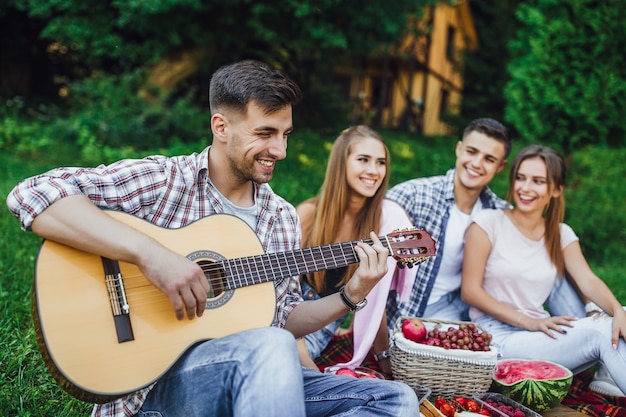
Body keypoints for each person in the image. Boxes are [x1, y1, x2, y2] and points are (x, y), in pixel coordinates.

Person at [6, 60, 419, 417]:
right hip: (154, 389)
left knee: (396, 401)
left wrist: (353, 293)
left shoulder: (281, 219)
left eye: (286, 134)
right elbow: (31, 195)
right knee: (270, 346)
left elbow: (284, 319)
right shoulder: (167, 180)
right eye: (265, 133)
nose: (280, 149)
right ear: (221, 126)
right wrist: (151, 255)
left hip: (254, 374)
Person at [385, 118, 586, 326]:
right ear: (459, 149)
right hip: (420, 309)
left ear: (500, 167)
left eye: (489, 159)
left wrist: (592, 306)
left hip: (469, 308)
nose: (477, 164)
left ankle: (588, 325)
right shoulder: (413, 197)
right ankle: (585, 332)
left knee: (548, 263)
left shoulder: (499, 213)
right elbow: (365, 253)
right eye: (472, 152)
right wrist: (352, 320)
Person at [460, 144, 626, 394]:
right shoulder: (488, 223)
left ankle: (610, 373)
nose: (525, 188)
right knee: (601, 331)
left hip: (540, 336)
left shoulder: (560, 234)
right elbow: (470, 291)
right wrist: (528, 322)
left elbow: (587, 280)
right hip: (497, 339)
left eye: (538, 181)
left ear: (556, 189)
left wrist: (616, 310)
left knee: (623, 313)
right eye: (520, 178)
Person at [296, 125, 420, 378]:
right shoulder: (307, 216)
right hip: (285, 324)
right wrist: (306, 364)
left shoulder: (382, 223)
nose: (374, 171)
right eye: (363, 160)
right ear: (341, 164)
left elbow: (376, 302)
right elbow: (278, 301)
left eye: (381, 162)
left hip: (316, 333)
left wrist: (385, 361)